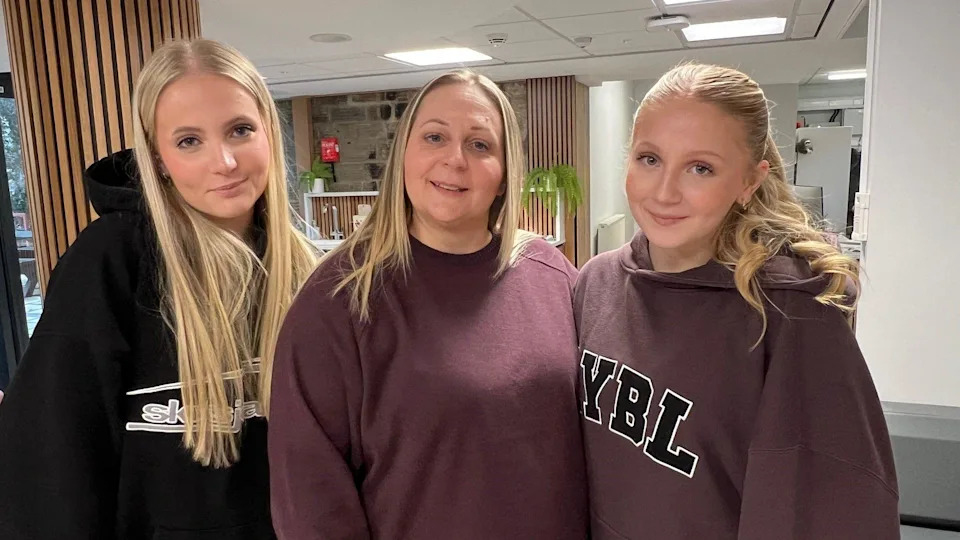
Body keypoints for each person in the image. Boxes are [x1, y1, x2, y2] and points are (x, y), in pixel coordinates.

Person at [0, 39, 316, 539]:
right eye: (189, 141)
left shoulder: (307, 272)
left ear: (269, 136)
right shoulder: (111, 259)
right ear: (158, 158)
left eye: (240, 130)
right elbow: (54, 458)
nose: (226, 162)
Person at [575, 63, 899, 539]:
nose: (664, 192)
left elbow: (824, 507)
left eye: (700, 167)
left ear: (749, 181)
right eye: (649, 159)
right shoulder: (595, 283)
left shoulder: (791, 312)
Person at [268, 69, 588, 539]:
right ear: (403, 157)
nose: (455, 159)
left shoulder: (552, 275)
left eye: (480, 145)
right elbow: (309, 496)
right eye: (434, 137)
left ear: (504, 175)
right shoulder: (340, 298)